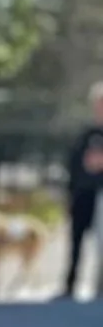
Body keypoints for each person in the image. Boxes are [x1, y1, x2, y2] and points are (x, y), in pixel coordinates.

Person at [58, 79, 103, 301]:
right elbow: (73, 165)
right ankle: (70, 285)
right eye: (98, 103)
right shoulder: (85, 135)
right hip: (82, 194)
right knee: (76, 242)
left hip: (101, 196)